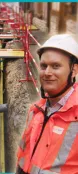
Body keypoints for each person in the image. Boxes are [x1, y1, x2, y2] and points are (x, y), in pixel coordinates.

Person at [16, 34, 78, 174]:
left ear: (73, 70)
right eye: (44, 66)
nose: (47, 73)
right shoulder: (35, 111)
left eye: (56, 66)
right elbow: (23, 157)